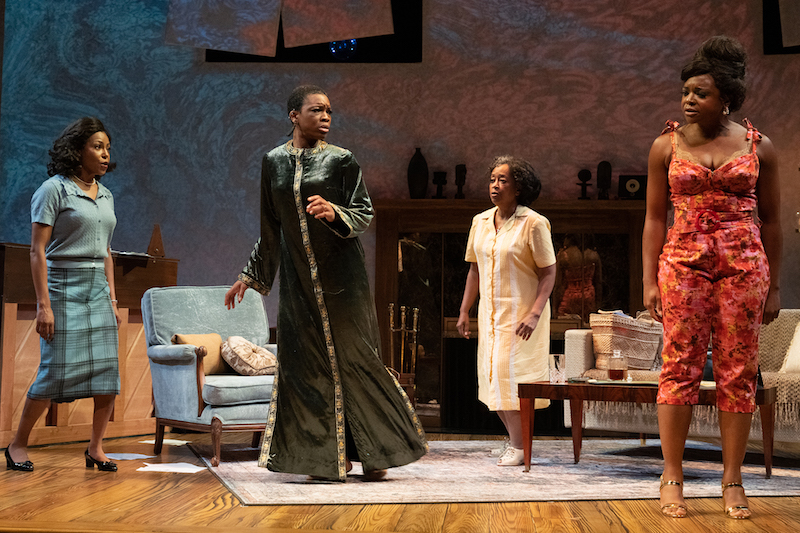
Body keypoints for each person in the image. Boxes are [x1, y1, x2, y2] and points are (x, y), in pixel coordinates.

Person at [225, 85, 427, 481]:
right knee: (307, 367)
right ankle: (322, 458)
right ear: (293, 115)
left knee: (355, 359)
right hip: (299, 285)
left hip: (343, 281)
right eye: (316, 110)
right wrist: (247, 276)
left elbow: (363, 212)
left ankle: (378, 450)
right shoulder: (273, 163)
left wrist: (334, 211)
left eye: (330, 111)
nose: (326, 117)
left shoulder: (341, 161)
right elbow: (271, 228)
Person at [642, 36, 781, 519]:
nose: (688, 99)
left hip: (744, 264)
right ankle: (672, 476)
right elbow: (654, 220)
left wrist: (776, 286)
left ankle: (733, 479)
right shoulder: (666, 144)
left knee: (737, 371)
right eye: (685, 91)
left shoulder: (758, 145)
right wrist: (647, 281)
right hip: (682, 264)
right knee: (678, 366)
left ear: (726, 98)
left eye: (699, 92)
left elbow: (775, 221)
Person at [5, 117, 121, 473]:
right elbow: (36, 251)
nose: (105, 155)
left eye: (107, 148)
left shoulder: (105, 193)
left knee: (107, 374)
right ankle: (17, 444)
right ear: (78, 150)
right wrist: (44, 306)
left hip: (97, 290)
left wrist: (113, 300)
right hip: (63, 286)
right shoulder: (53, 189)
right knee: (53, 371)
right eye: (97, 147)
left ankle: (95, 448)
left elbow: (106, 252)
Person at [456, 156, 557, 466]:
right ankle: (516, 442)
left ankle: (520, 446)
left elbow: (549, 272)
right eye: (492, 180)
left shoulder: (534, 223)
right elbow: (474, 269)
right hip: (490, 316)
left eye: (503, 181)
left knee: (511, 378)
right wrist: (464, 311)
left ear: (519, 188)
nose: (495, 186)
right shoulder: (481, 221)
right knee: (491, 380)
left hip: (522, 316)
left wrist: (535, 313)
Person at [553, 234, 602, 324]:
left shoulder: (564, 255)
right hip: (589, 294)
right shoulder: (594, 255)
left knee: (566, 325)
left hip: (570, 295)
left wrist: (554, 309)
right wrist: (598, 306)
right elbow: (598, 282)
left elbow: (558, 284)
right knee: (588, 324)